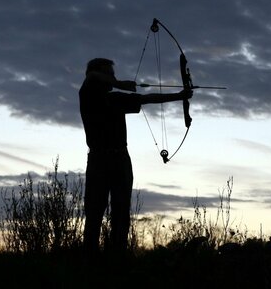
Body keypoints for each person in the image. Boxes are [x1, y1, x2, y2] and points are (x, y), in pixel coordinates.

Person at [79, 58, 193, 254]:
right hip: (99, 159)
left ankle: (118, 258)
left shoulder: (116, 99)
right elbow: (91, 76)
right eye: (110, 73)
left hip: (120, 159)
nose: (113, 77)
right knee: (95, 211)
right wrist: (120, 83)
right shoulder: (88, 95)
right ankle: (90, 260)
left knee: (121, 212)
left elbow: (147, 98)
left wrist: (179, 96)